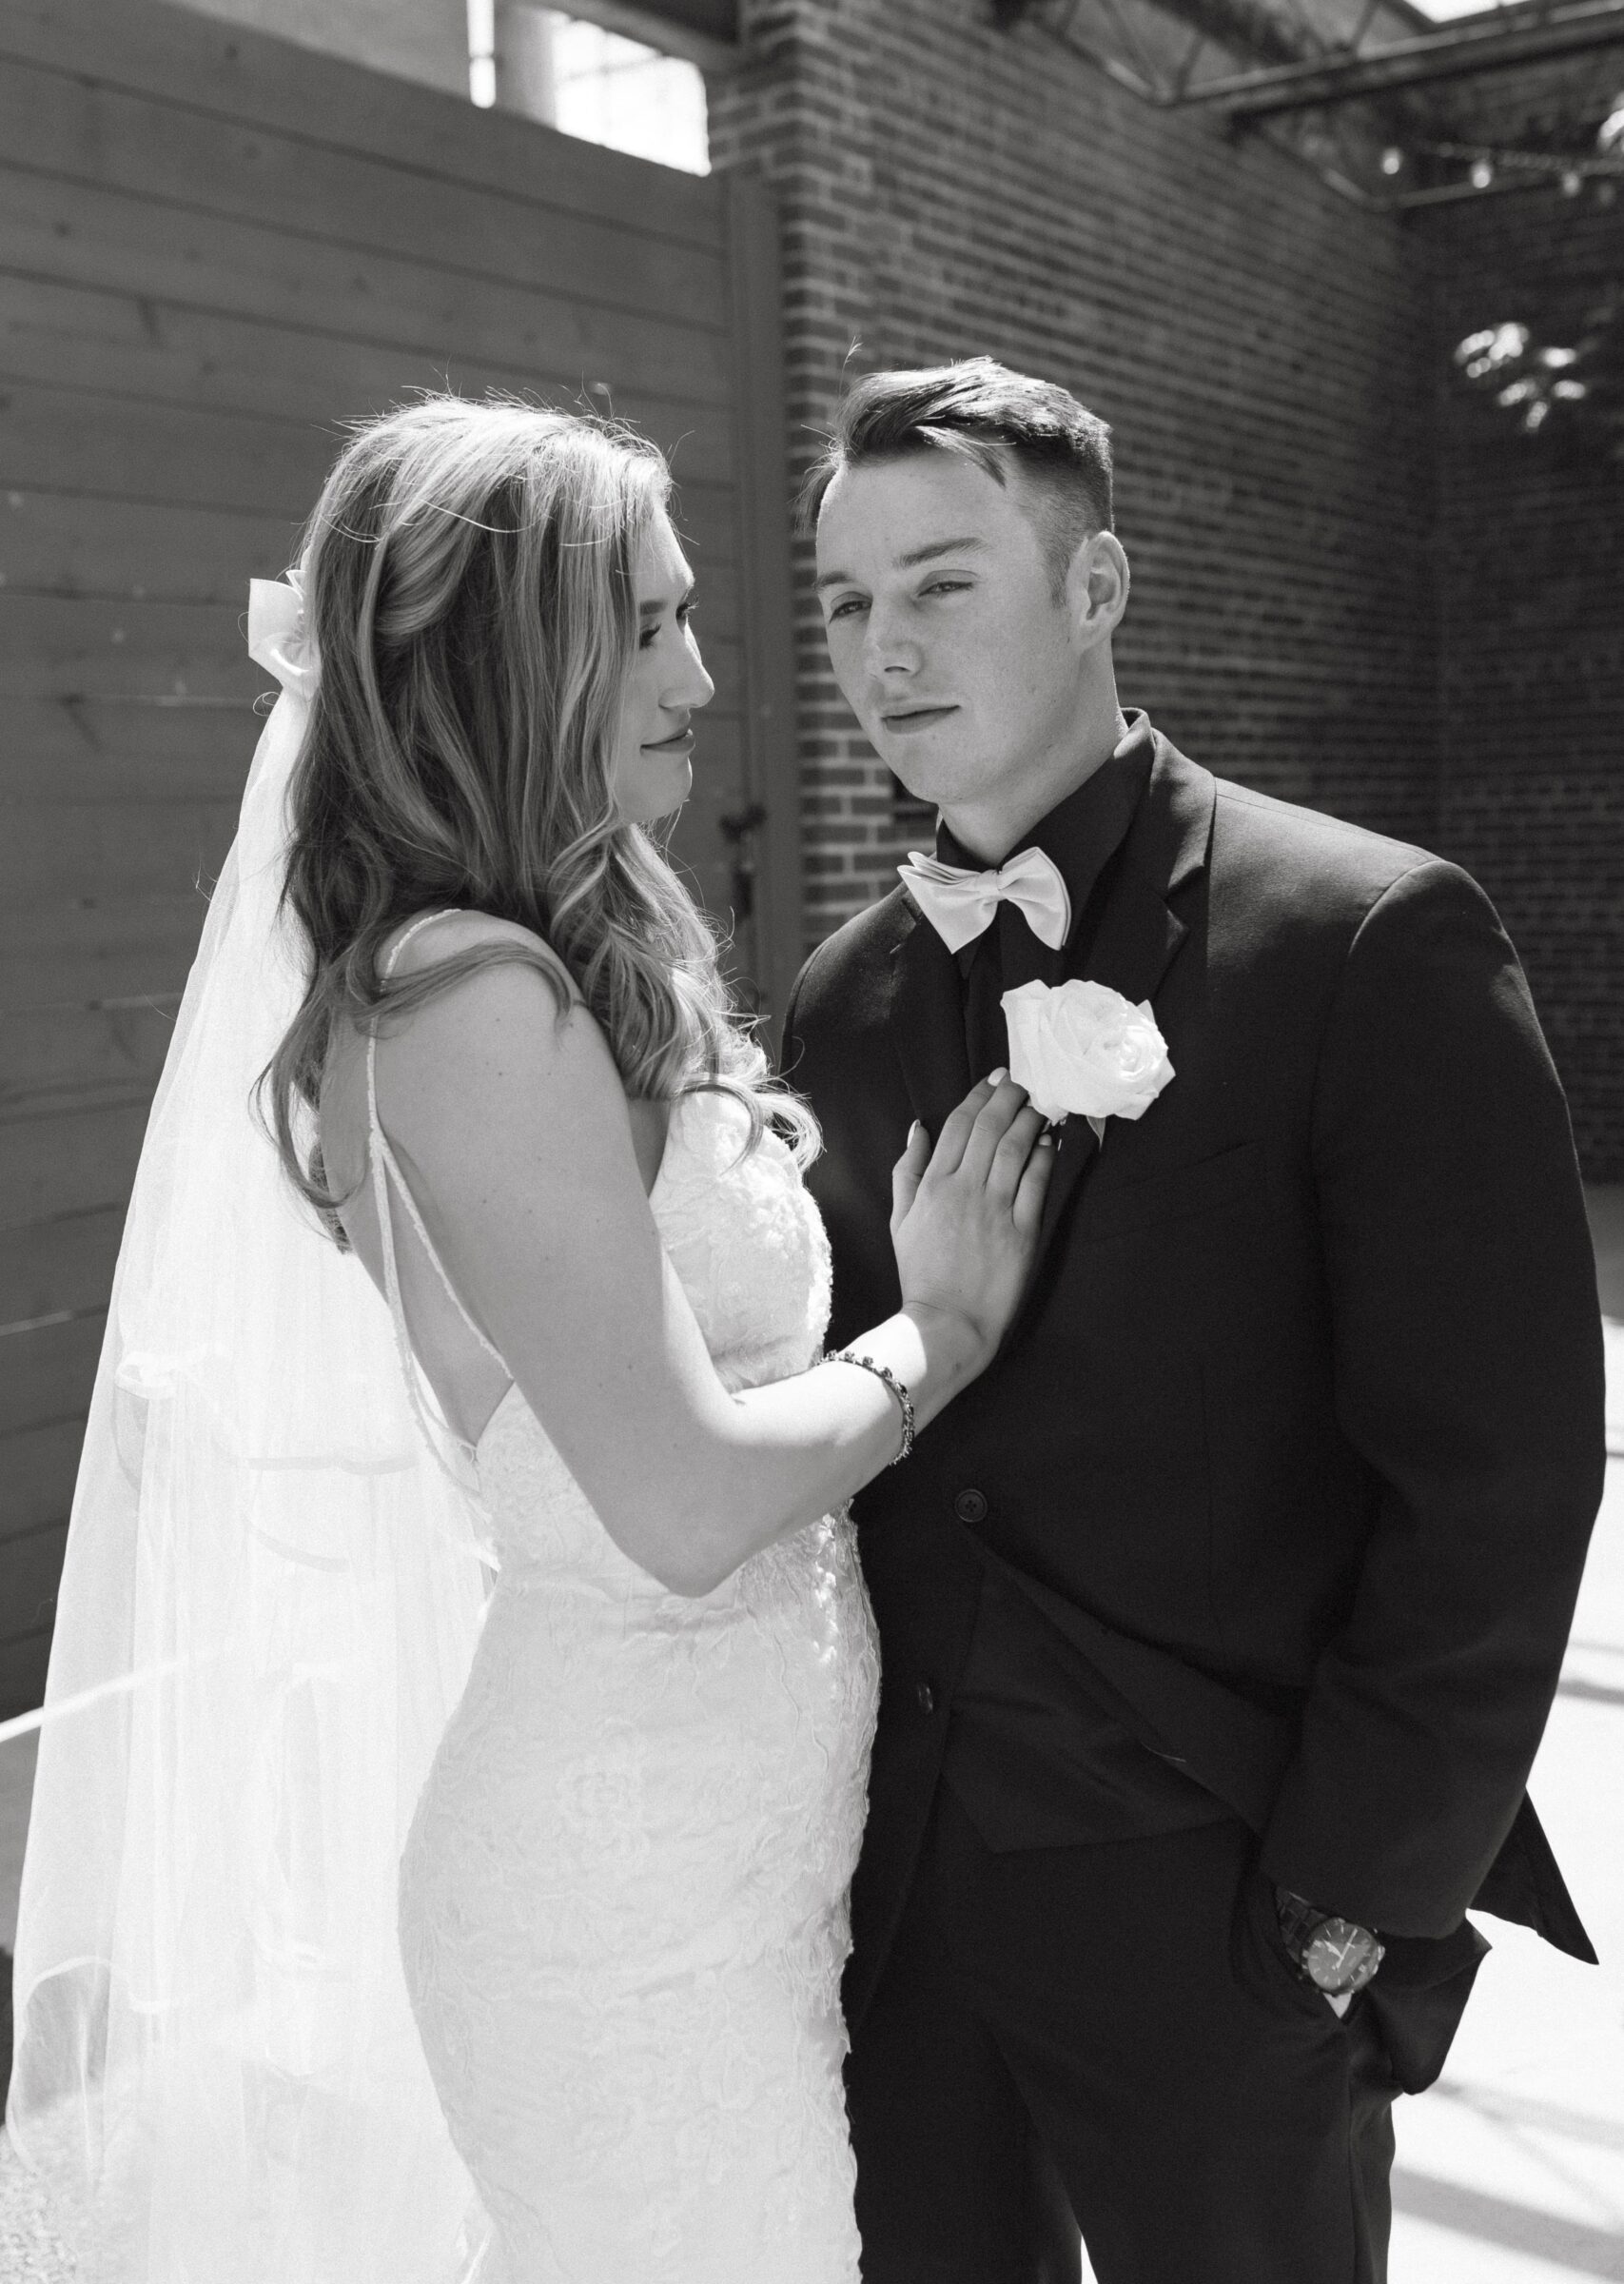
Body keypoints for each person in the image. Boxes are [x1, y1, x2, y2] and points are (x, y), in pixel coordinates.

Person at [11, 395, 1053, 2284]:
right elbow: (673, 1498)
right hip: (620, 1917)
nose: (705, 669)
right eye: (647, 623)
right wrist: (945, 1327)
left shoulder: (541, 955)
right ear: (510, 654)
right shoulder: (462, 998)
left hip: (729, 1874)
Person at [783, 358, 1607, 2284]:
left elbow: (1490, 1489)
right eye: (841, 601)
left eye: (940, 580)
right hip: (892, 1898)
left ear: (1094, 587)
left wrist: (1340, 1909)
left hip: (1226, 1901)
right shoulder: (835, 992)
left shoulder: (1365, 938)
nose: (880, 647)